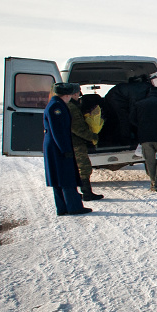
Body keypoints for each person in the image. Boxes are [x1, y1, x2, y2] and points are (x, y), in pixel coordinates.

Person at [43, 83, 92, 216]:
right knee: (66, 177)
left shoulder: (55, 104)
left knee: (59, 179)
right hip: (58, 146)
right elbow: (57, 131)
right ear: (66, 95)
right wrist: (65, 149)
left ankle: (63, 207)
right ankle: (74, 207)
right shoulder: (57, 107)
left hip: (54, 146)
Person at [131, 86, 157, 193]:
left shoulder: (139, 104)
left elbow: (132, 120)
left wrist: (141, 127)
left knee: (149, 161)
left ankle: (153, 183)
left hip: (145, 138)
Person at [66, 85, 104, 201]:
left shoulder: (70, 106)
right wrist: (92, 137)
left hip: (73, 141)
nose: (79, 97)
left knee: (80, 167)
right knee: (84, 167)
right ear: (74, 94)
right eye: (78, 94)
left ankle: (85, 192)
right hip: (76, 142)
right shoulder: (72, 107)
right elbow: (77, 128)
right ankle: (86, 193)